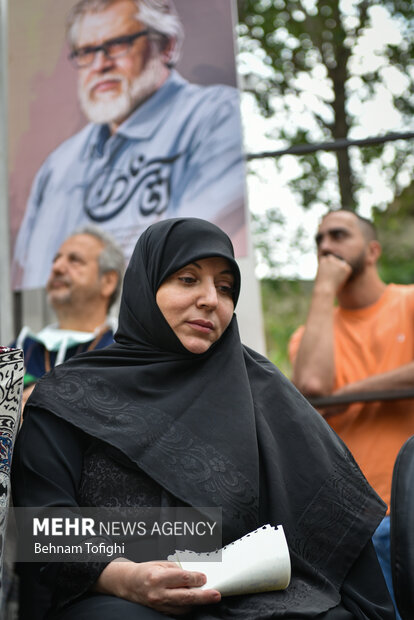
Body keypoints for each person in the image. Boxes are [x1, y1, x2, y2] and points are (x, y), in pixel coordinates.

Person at [12, 217, 395, 619]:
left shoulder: (261, 391)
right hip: (116, 595)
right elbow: (45, 525)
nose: (211, 299)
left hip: (256, 597)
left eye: (225, 287)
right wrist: (126, 577)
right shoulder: (70, 395)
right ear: (146, 287)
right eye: (188, 279)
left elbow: (333, 525)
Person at [11, 0, 246, 290]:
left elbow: (195, 251)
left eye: (118, 44)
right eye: (86, 51)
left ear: (167, 46)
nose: (100, 64)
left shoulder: (215, 117)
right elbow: (30, 274)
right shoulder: (57, 167)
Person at [289, 208, 414, 616]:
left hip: (410, 508)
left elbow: (331, 395)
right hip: (354, 524)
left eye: (339, 235)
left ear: (373, 250)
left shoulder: (409, 302)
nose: (326, 247)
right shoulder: (310, 335)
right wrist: (324, 292)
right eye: (319, 240)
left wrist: (353, 392)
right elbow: (311, 385)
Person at [13, 226, 125, 409]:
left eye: (75, 260)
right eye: (56, 259)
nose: (57, 268)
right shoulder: (20, 349)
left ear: (108, 282)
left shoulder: (124, 354)